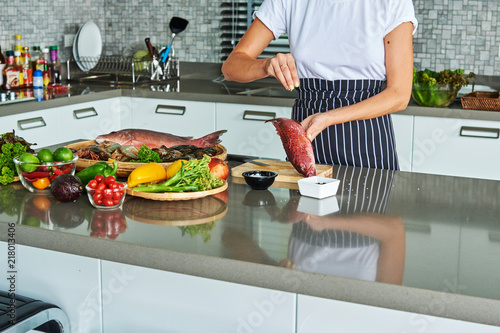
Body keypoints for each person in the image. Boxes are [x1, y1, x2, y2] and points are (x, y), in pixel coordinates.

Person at [221, 0, 418, 170]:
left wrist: (328, 118)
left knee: (368, 209)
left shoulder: (392, 2)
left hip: (367, 143)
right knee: (304, 212)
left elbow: (399, 95)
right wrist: (266, 65)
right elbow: (231, 68)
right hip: (308, 143)